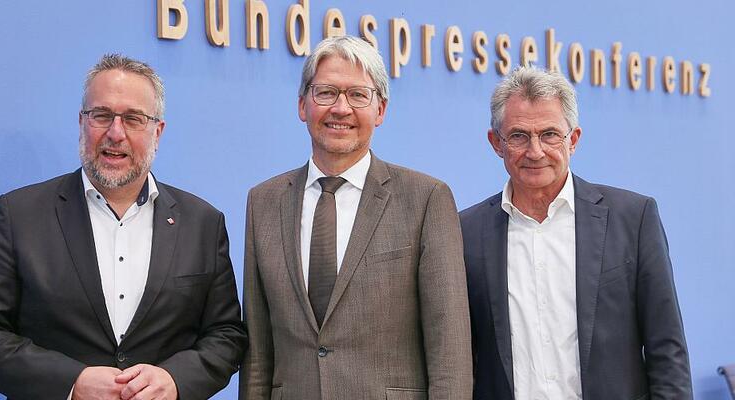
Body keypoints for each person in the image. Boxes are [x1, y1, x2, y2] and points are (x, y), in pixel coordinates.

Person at [0, 54, 247, 400]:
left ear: (158, 131)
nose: (115, 133)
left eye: (134, 118)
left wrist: (175, 379)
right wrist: (71, 382)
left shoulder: (203, 223)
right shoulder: (20, 215)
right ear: (82, 122)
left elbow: (226, 334)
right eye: (102, 115)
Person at [238, 35, 473, 400]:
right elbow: (257, 353)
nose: (341, 108)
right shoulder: (263, 202)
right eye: (326, 93)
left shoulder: (426, 199)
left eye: (358, 95)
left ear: (380, 110)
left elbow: (450, 351)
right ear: (302, 105)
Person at [460, 66, 692, 399]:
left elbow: (667, 351)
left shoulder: (632, 218)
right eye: (518, 136)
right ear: (496, 143)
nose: (535, 151)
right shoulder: (465, 233)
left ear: (574, 139)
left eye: (550, 134)